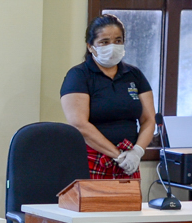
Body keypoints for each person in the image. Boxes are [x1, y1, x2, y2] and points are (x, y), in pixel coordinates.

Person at [60, 13, 157, 179]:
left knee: (129, 198)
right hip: (93, 159)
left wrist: (137, 152)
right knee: (94, 198)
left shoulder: (134, 75)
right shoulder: (78, 75)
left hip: (129, 161)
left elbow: (149, 120)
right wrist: (118, 156)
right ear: (90, 46)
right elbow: (79, 124)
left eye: (118, 41)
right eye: (104, 42)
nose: (112, 46)